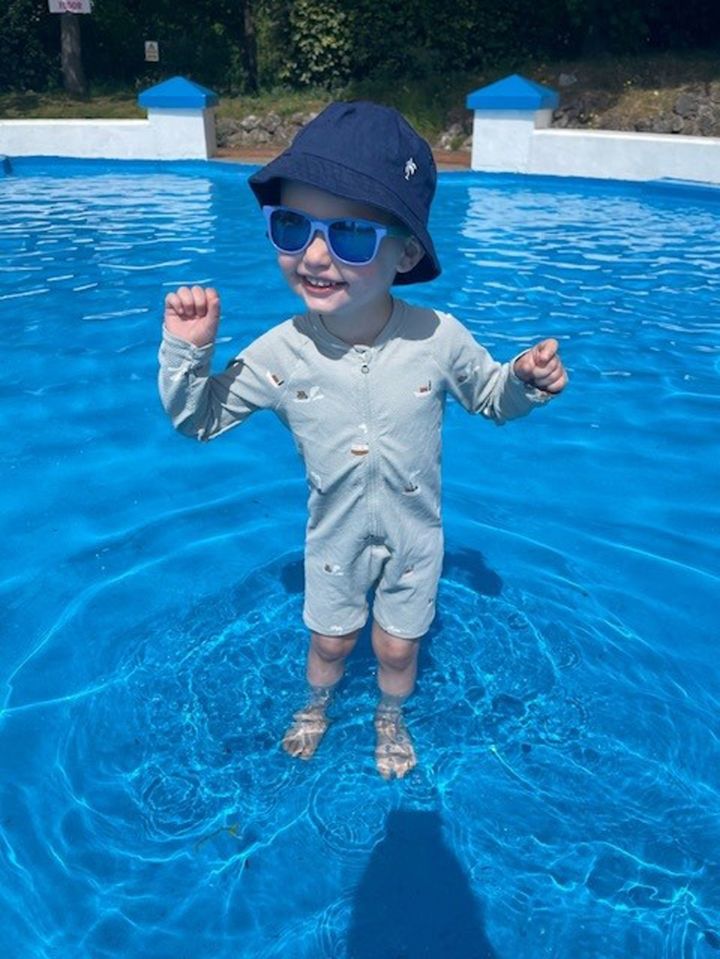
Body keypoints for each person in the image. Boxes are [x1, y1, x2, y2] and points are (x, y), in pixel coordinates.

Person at [158, 101, 567, 780]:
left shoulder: (438, 337)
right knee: (329, 639)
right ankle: (316, 706)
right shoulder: (279, 352)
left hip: (416, 538)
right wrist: (185, 353)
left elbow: (491, 399)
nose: (315, 255)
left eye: (349, 236)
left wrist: (524, 380)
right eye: (292, 226)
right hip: (333, 539)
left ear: (405, 251)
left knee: (399, 651)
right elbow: (199, 419)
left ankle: (390, 719)